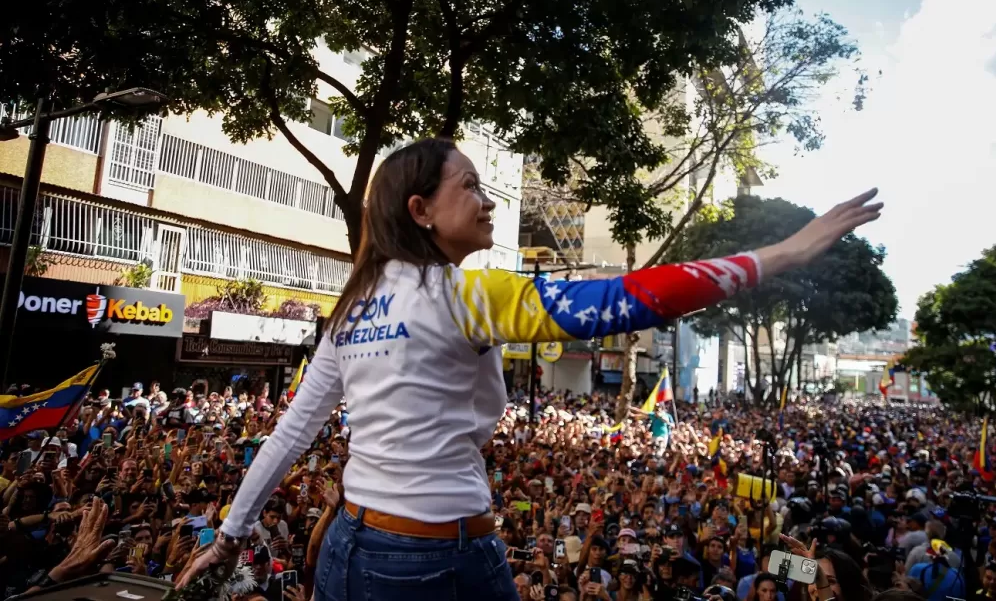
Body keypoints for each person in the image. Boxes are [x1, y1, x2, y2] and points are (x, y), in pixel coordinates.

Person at [176, 137, 883, 600]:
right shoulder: (470, 296)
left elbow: (293, 431)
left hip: (345, 551)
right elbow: (627, 299)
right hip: (435, 563)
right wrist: (783, 254)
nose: (488, 201)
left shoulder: (355, 304)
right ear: (421, 211)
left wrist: (228, 535)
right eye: (471, 188)